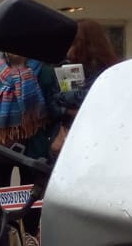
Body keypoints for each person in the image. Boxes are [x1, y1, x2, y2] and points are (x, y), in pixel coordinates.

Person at [0, 52, 60, 246]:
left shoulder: (45, 73)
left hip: (34, 148)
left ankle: (30, 239)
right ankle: (4, 242)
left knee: (32, 195)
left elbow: (55, 109)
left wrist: (50, 140)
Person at [50, 19, 119, 158]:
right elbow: (59, 101)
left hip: (97, 138)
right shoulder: (70, 67)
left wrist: (71, 104)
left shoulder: (110, 70)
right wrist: (70, 107)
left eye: (73, 43)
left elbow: (91, 99)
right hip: (69, 138)